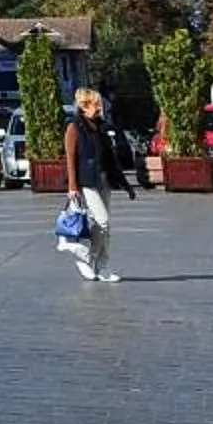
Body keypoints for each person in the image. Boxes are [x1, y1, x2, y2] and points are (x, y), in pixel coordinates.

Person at [63, 86, 121, 283]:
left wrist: (121, 180)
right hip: (87, 181)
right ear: (84, 106)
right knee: (101, 221)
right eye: (95, 105)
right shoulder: (74, 127)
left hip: (104, 179)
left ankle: (103, 265)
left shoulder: (101, 126)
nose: (99, 108)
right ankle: (87, 258)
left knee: (105, 226)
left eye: (99, 105)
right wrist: (72, 186)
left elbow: (109, 156)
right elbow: (70, 158)